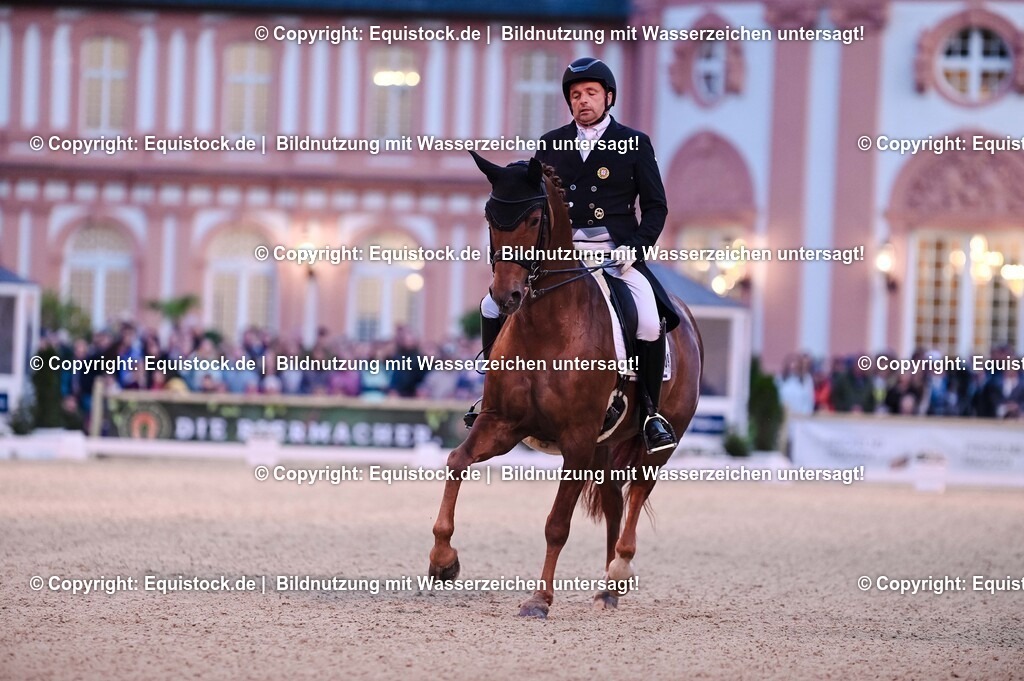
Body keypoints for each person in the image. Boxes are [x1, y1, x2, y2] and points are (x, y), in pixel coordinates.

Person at [469, 57, 680, 454]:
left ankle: (650, 413)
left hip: (615, 254)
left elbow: (656, 208)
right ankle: (492, 399)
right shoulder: (551, 144)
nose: (583, 101)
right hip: (559, 257)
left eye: (591, 94)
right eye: (576, 95)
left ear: (608, 98)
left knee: (650, 321)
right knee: (490, 306)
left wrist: (634, 249)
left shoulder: (634, 143)